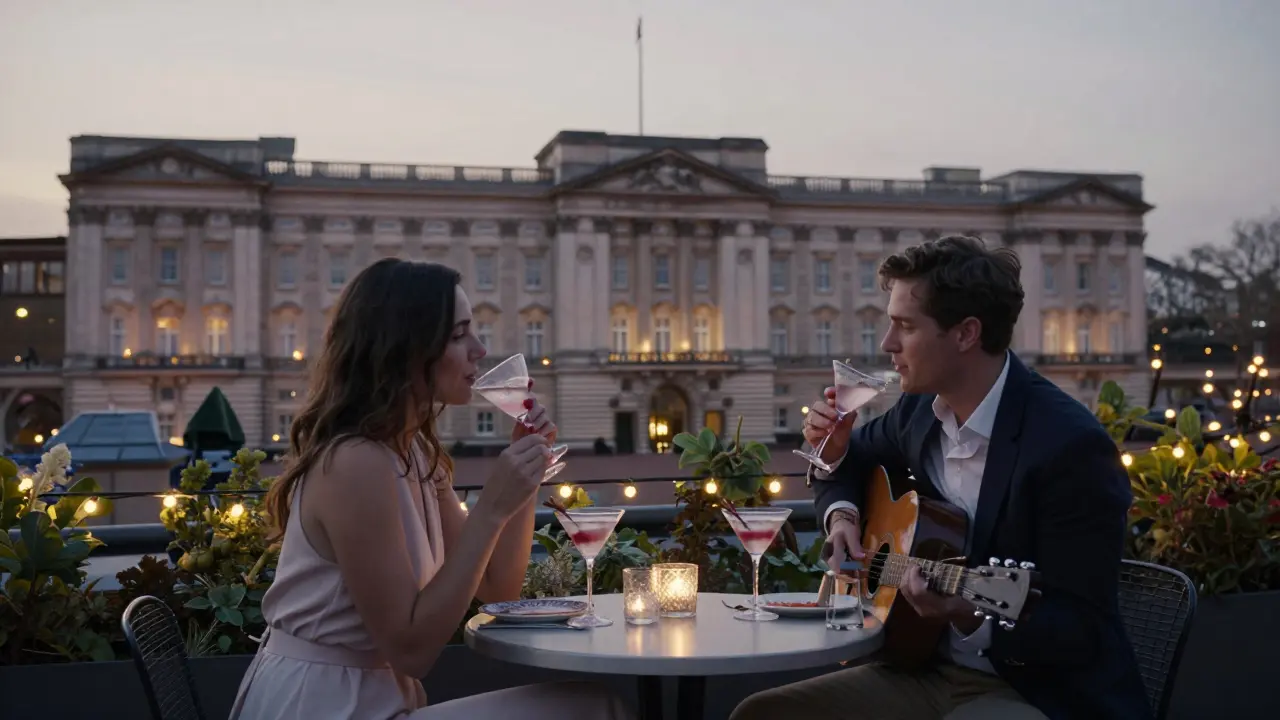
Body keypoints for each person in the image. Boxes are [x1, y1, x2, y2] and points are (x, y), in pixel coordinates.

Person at [731, 237, 1150, 720]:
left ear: (966, 334)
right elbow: (846, 463)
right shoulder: (916, 411)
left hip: (1036, 689)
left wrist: (972, 614)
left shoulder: (1069, 447)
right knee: (761, 714)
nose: (886, 344)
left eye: (905, 326)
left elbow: (1083, 628)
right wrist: (841, 515)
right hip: (920, 666)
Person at [230, 259, 631, 720]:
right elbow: (412, 651)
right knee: (597, 708)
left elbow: (499, 586)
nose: (479, 349)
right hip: (321, 703)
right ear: (406, 348)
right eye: (459, 335)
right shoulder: (356, 462)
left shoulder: (413, 452)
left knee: (597, 704)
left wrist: (525, 480)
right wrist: (491, 507)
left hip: (371, 697)